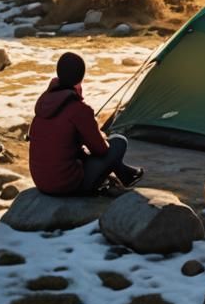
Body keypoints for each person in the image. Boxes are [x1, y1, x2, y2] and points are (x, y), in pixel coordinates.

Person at [29, 52, 143, 196]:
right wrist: (100, 135)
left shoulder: (45, 103)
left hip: (41, 181)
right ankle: (124, 174)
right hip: (67, 184)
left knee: (86, 153)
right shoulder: (79, 110)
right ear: (81, 77)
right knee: (119, 142)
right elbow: (101, 150)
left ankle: (125, 174)